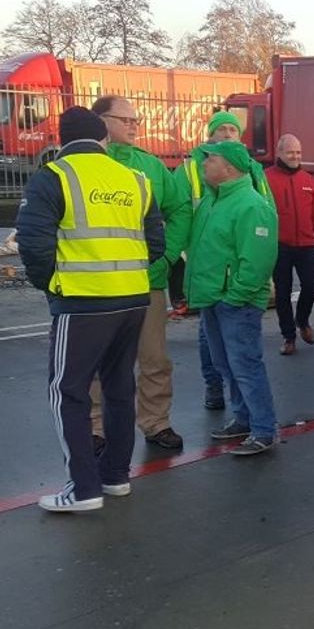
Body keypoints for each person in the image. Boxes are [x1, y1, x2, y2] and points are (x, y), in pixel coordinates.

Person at [16, 107, 164, 511]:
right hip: (134, 298)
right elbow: (156, 243)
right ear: (103, 139)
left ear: (63, 141)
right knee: (119, 388)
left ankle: (82, 488)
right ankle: (115, 476)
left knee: (68, 391)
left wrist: (54, 283)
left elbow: (33, 242)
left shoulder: (55, 176)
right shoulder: (135, 179)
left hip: (81, 300)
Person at [84, 95, 189, 452]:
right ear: (101, 122)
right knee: (97, 362)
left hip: (148, 283)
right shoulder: (84, 165)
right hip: (99, 286)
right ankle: (95, 428)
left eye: (136, 120)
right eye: (125, 119)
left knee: (155, 359)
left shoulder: (151, 167)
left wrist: (166, 257)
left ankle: (156, 423)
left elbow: (179, 211)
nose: (134, 125)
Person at [177, 111, 273, 412]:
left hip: (231, 285)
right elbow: (179, 216)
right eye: (223, 129)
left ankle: (258, 424)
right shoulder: (192, 170)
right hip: (207, 275)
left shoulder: (253, 173)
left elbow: (262, 219)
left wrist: (239, 291)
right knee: (218, 353)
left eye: (234, 128)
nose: (229, 133)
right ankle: (221, 395)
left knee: (241, 359)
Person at [187, 141, 279, 456]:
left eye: (209, 159)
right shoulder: (216, 200)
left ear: (228, 167)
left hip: (234, 303)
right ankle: (244, 419)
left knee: (245, 364)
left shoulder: (251, 205)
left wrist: (235, 295)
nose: (203, 164)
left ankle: (264, 430)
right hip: (215, 298)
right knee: (226, 364)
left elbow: (257, 260)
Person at [265, 134, 314, 356]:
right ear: (279, 153)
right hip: (279, 245)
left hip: (306, 244)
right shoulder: (265, 179)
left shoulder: (308, 180)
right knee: (282, 293)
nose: (295, 156)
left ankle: (303, 320)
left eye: (298, 152)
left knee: (312, 286)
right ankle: (289, 337)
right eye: (290, 152)